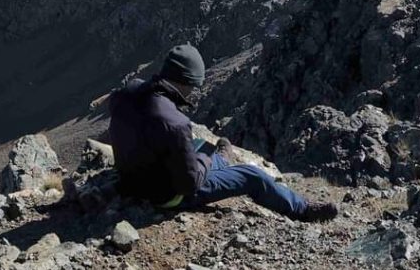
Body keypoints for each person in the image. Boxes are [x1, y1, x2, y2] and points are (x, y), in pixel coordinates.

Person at [107, 43, 338, 221]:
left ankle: (217, 157)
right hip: (165, 195)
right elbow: (190, 185)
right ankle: (302, 209)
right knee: (251, 175)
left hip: (130, 182)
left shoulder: (126, 93)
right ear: (187, 83)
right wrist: (208, 160)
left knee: (200, 145)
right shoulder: (175, 122)